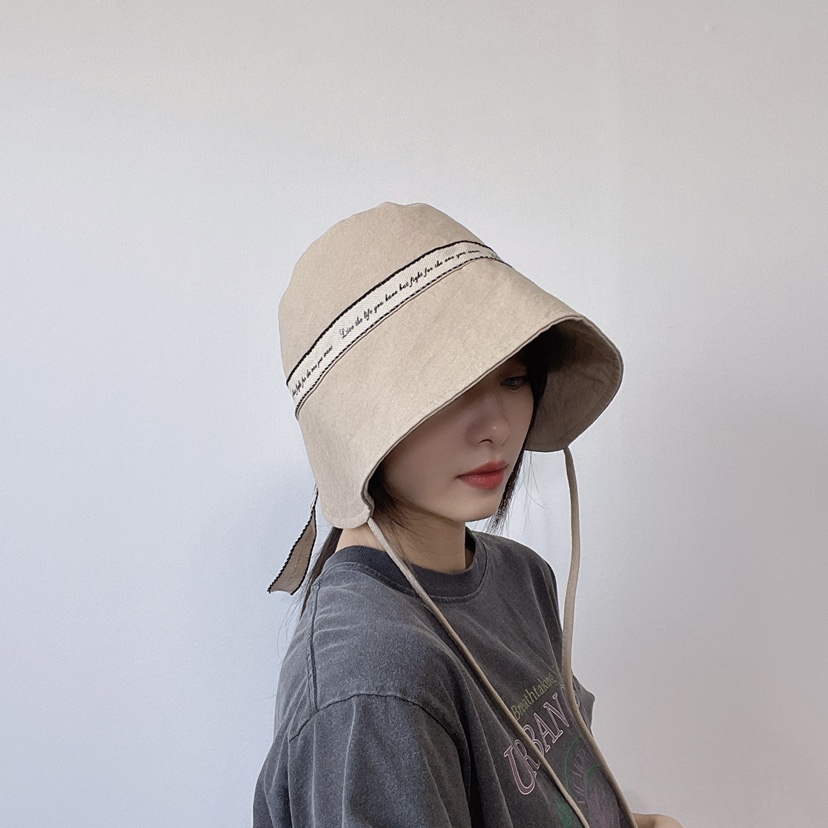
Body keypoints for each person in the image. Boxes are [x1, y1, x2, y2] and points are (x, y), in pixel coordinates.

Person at [253, 202, 683, 828]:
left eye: (513, 380)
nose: (497, 428)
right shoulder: (373, 680)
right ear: (353, 421)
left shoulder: (520, 577)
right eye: (451, 390)